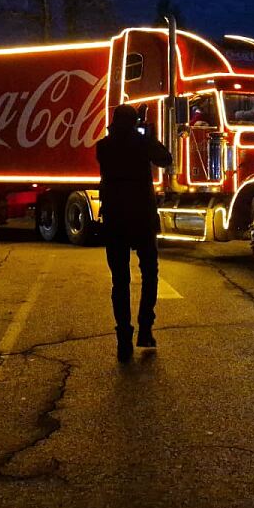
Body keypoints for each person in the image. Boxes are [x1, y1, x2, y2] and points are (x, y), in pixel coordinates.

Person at [95, 104, 173, 363]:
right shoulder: (142, 143)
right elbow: (165, 158)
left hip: (115, 219)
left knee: (120, 281)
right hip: (142, 218)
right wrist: (147, 133)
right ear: (133, 123)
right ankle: (145, 329)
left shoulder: (103, 146)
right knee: (149, 274)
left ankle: (123, 338)